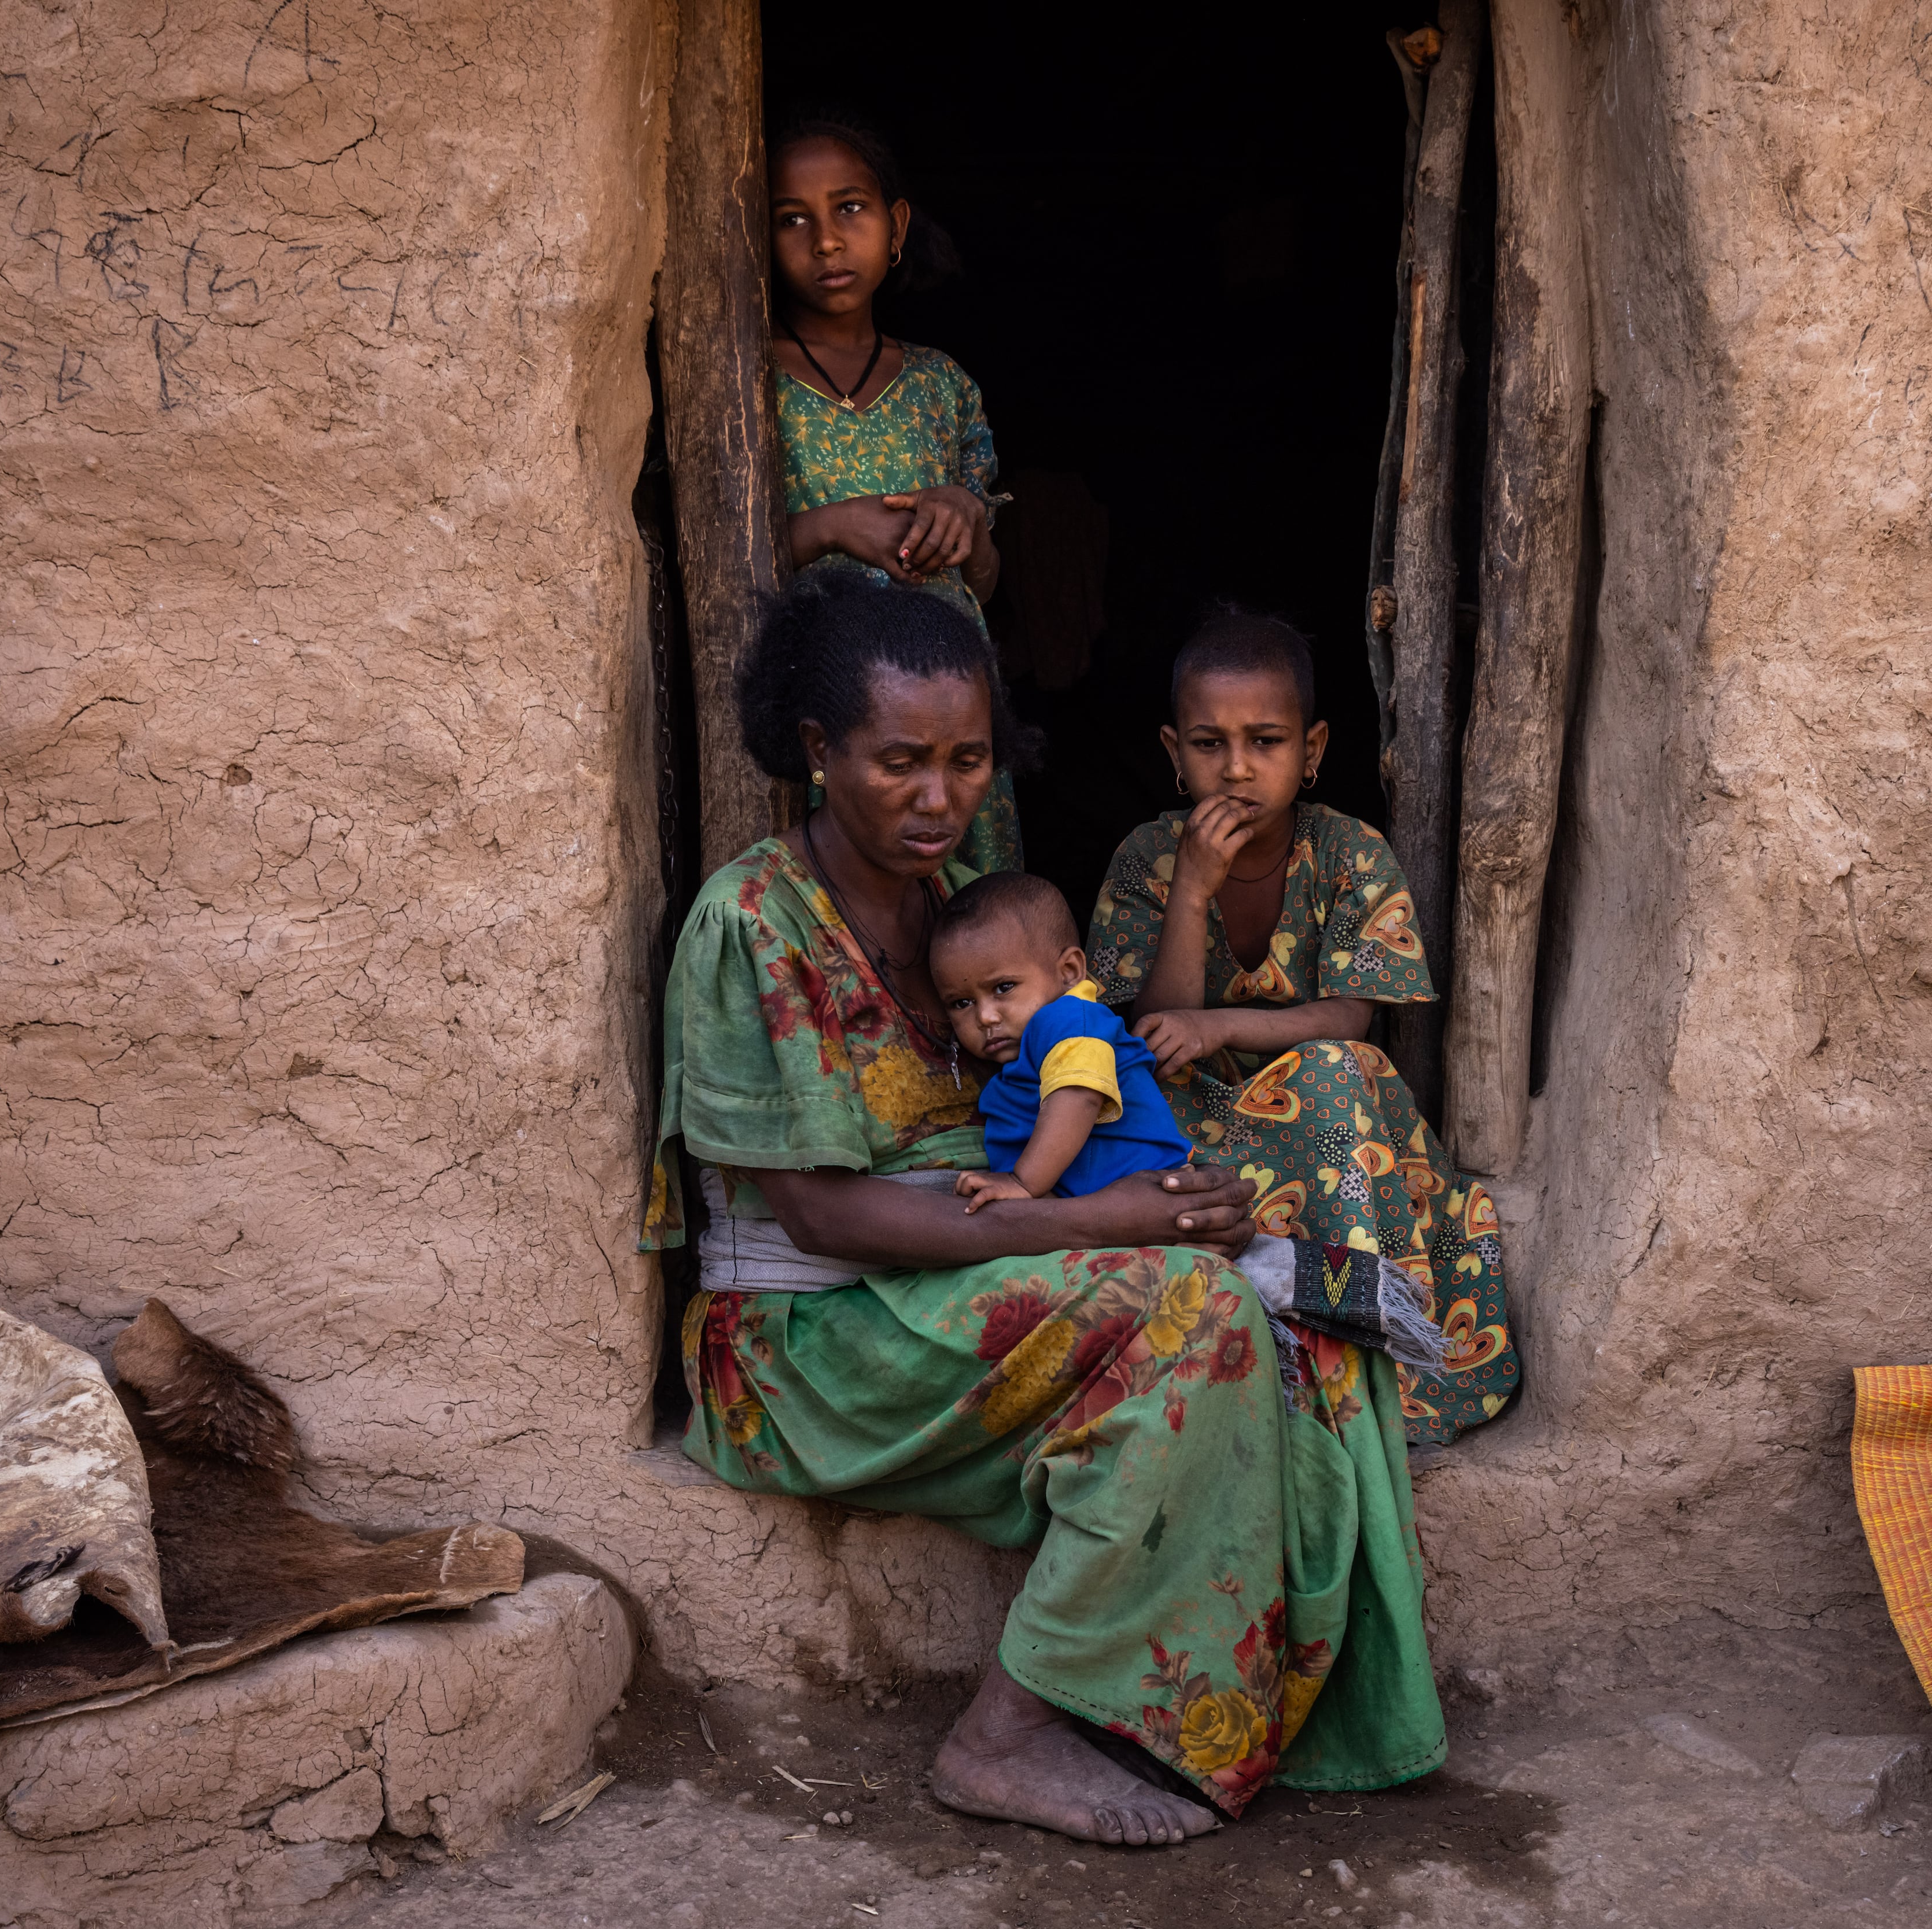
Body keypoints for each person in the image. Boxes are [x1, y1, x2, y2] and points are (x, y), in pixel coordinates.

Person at [643, 576, 1446, 1845]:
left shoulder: (966, 906)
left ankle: (1302, 1717)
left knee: (1301, 1324)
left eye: (967, 761)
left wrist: (1174, 1193)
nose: (937, 796)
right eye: (900, 761)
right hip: (812, 1341)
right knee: (1189, 1311)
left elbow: (1064, 1113)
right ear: (815, 751)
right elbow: (819, 1218)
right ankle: (1004, 1731)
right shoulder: (756, 921)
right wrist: (1113, 1223)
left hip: (953, 1290)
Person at [1086, 609, 1523, 1447]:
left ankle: (1380, 1369)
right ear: (1175, 754)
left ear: (1313, 749)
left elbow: (1352, 1015)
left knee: (1328, 1067)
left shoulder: (1350, 852)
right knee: (1122, 1117)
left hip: (1331, 1129)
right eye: (1209, 744)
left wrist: (1217, 1024)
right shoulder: (1146, 860)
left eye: (1267, 740)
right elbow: (1151, 1027)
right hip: (1204, 1121)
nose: (1237, 769)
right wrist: (1191, 890)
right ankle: (1276, 1369)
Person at [767, 115, 1020, 873]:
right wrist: (830, 527)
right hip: (828, 702)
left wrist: (966, 522)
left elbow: (986, 579)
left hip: (948, 702)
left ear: (896, 223)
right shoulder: (742, 380)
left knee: (968, 925)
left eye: (851, 208)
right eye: (792, 220)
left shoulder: (943, 386)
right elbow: (711, 550)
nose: (827, 241)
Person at [928, 871, 1195, 1212]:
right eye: (961, 1003)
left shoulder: (1072, 1022)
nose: (985, 1018)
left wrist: (1023, 1183)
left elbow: (1079, 1097)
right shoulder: (1027, 1050)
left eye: (1004, 987)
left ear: (1069, 972)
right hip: (1090, 1206)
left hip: (1149, 1193)